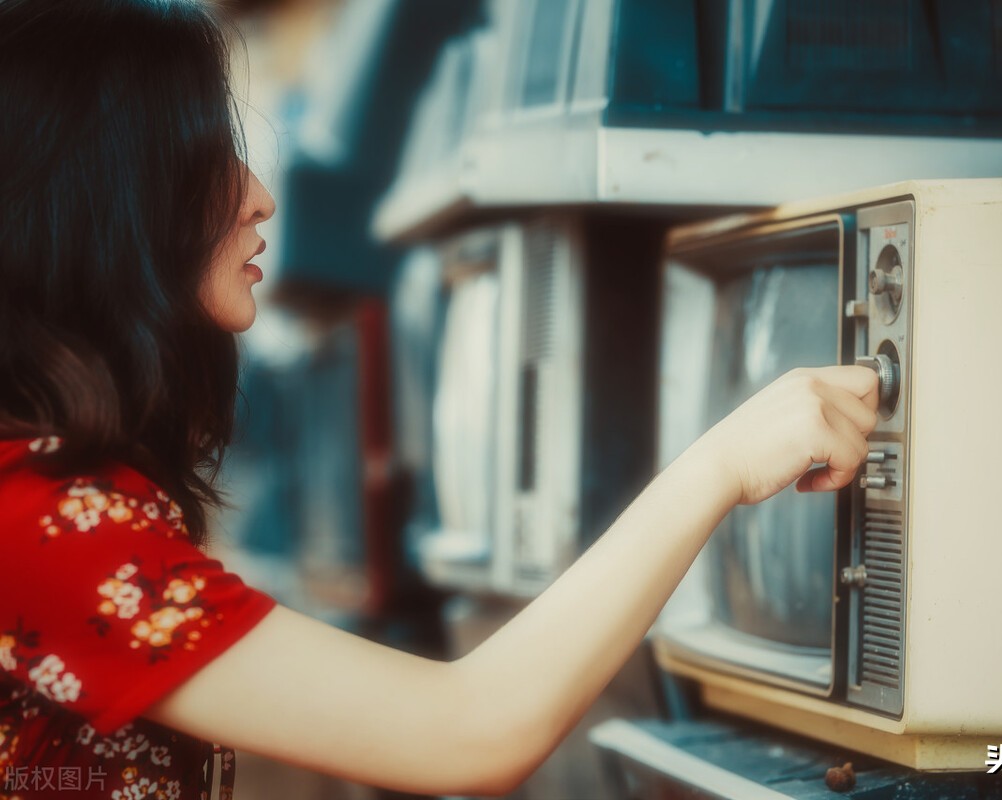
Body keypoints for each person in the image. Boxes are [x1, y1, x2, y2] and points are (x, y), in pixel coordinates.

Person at [0, 1, 879, 798]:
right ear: (97, 204)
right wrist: (720, 460)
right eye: (203, 159)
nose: (259, 196)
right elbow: (470, 732)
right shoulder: (36, 520)